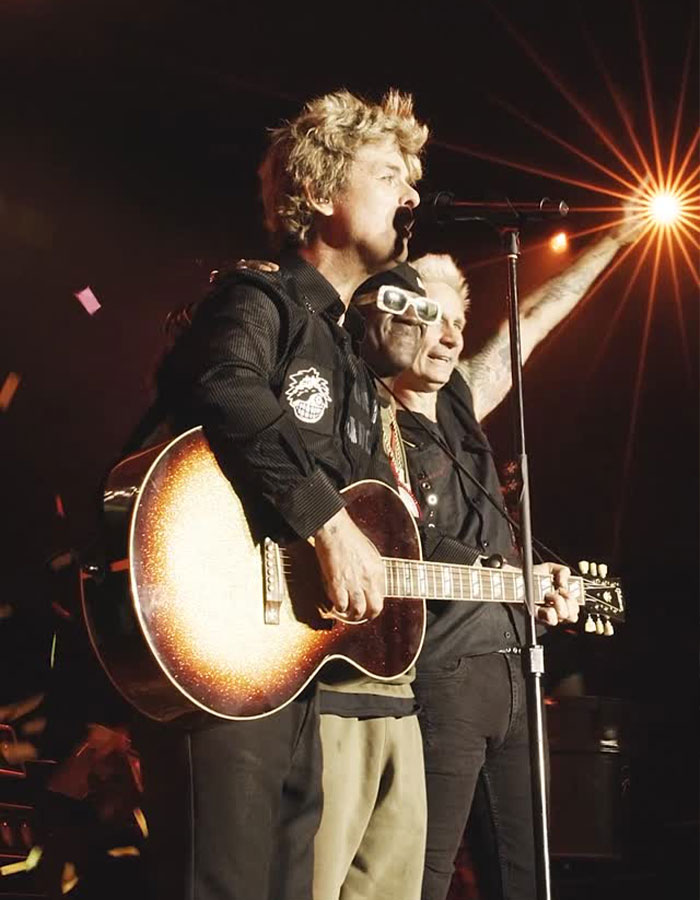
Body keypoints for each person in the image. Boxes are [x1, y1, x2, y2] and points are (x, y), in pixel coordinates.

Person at [132, 88, 428, 900]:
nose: (411, 194)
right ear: (323, 191)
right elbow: (228, 385)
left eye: (414, 180)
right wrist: (327, 525)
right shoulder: (258, 297)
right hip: (218, 632)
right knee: (223, 881)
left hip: (291, 659)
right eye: (389, 174)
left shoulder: (352, 357)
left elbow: (374, 511)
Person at [387, 217, 642, 900]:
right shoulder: (370, 423)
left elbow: (530, 320)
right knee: (423, 875)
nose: (449, 336)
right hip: (440, 675)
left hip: (514, 672)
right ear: (392, 323)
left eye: (456, 321)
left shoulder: (460, 397)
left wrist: (614, 242)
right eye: (431, 318)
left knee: (526, 877)